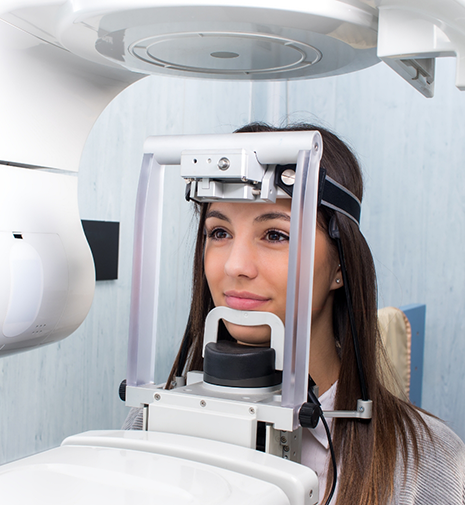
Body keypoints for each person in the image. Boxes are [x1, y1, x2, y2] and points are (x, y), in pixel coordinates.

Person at [127, 122, 465, 505]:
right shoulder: (151, 423)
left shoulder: (427, 463)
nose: (235, 266)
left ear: (340, 265)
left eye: (275, 235)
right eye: (219, 232)